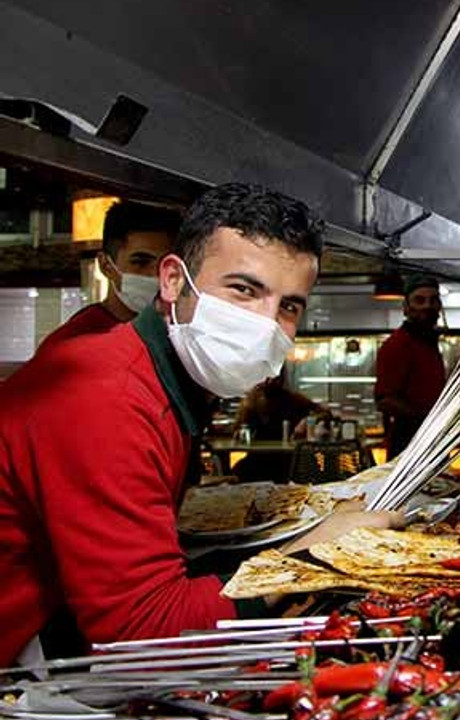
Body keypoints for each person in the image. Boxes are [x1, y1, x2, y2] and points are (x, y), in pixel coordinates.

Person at [0, 183, 401, 664]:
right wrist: (305, 556)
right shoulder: (108, 397)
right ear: (172, 281)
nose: (265, 322)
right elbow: (140, 631)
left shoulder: (162, 379)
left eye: (289, 306)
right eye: (243, 289)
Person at [39, 201, 180, 352]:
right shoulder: (70, 345)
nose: (156, 275)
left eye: (166, 264)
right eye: (140, 262)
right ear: (106, 265)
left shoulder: (177, 338)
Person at [375, 275, 446, 459]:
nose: (427, 306)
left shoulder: (428, 342)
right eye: (419, 300)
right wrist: (425, 418)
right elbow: (384, 400)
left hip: (432, 440)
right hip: (409, 444)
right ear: (406, 308)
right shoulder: (398, 344)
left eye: (433, 300)